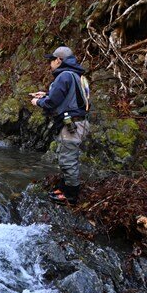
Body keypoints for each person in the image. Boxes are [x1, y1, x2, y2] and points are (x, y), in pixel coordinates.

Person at [30, 46, 90, 205]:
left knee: (68, 159)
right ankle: (65, 186)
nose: (50, 64)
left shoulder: (64, 76)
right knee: (66, 156)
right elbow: (70, 97)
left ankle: (71, 195)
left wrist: (38, 102)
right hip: (78, 122)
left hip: (72, 124)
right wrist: (46, 94)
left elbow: (51, 103)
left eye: (51, 60)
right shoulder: (75, 75)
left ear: (59, 60)